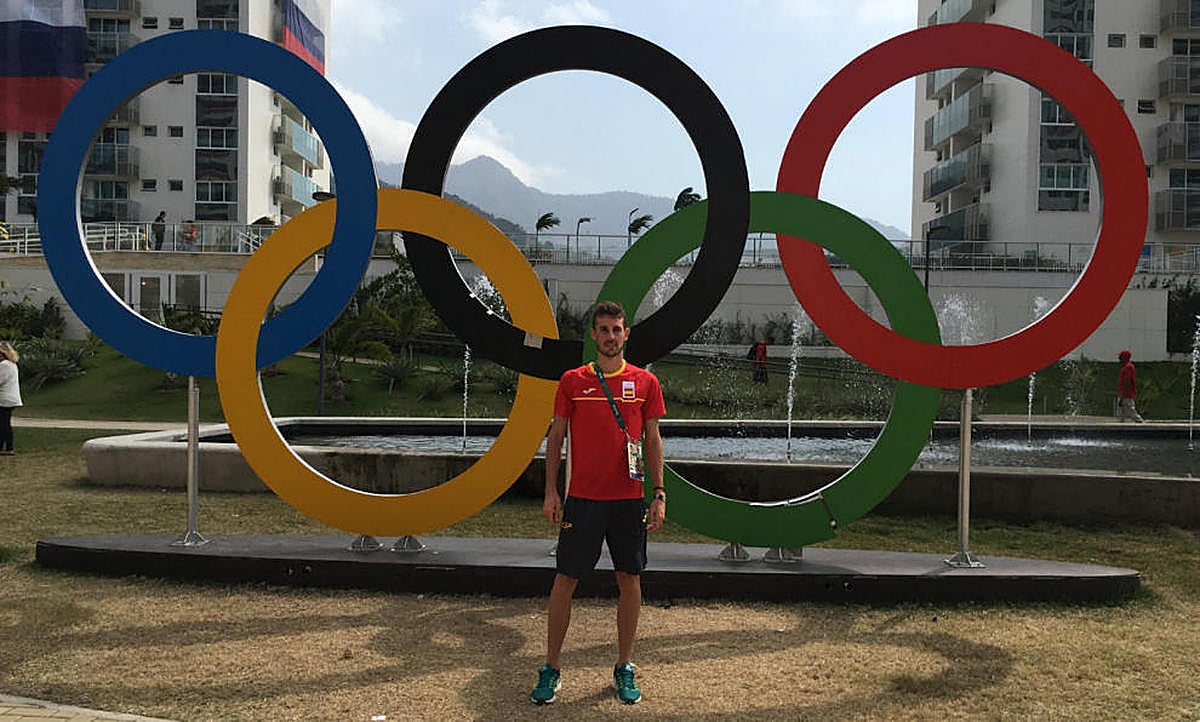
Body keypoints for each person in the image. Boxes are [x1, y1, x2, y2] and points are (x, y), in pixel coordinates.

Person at [532, 300, 666, 706]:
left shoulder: (646, 382)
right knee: (565, 580)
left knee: (630, 579)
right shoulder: (572, 381)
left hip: (629, 501)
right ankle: (551, 667)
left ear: (626, 334)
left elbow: (653, 439)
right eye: (603, 329)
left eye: (616, 329)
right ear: (593, 335)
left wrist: (659, 494)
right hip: (583, 501)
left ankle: (624, 666)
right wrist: (551, 491)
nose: (610, 336)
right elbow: (556, 437)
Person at [0, 341, 22, 455]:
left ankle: (9, 447)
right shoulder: (11, 364)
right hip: (9, 398)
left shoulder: (5, 365)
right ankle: (5, 447)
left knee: (4, 424)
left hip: (4, 399)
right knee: (3, 423)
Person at [1116, 349, 1144, 423]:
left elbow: (1127, 381)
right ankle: (1120, 425)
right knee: (1120, 412)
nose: (1119, 359)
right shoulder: (1126, 367)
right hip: (1123, 393)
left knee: (1130, 411)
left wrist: (1122, 395)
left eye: (1120, 357)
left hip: (1126, 394)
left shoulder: (1128, 367)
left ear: (1124, 358)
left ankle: (1140, 422)